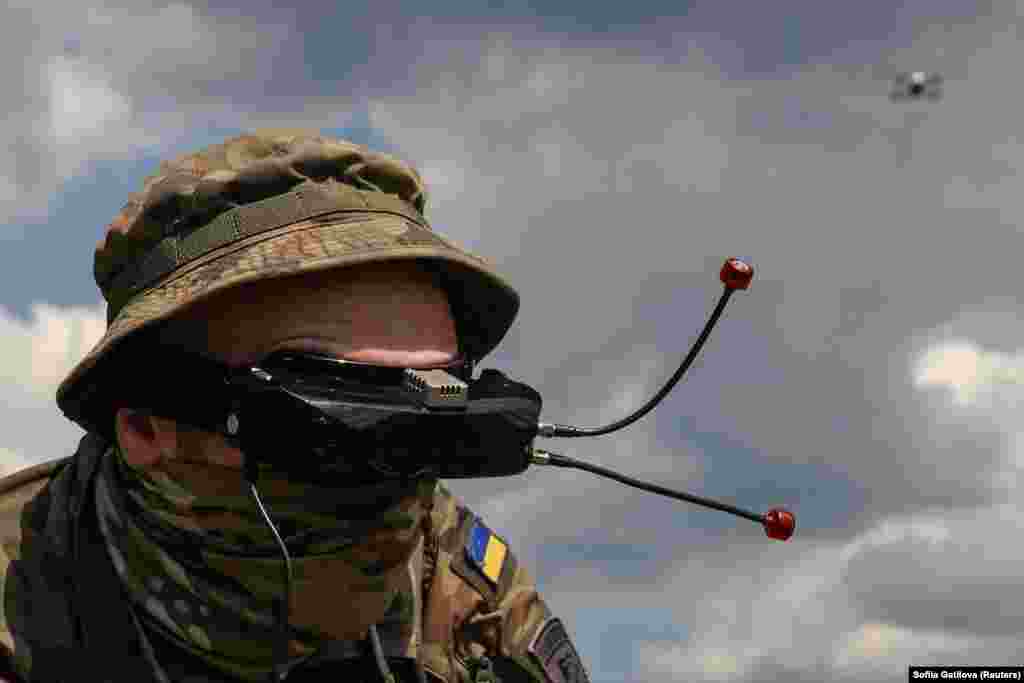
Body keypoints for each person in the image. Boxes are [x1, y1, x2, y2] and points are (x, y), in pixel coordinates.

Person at [0, 130, 590, 682]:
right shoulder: (21, 601)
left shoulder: (466, 607)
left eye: (432, 427)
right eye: (338, 423)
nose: (399, 481)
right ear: (146, 426)